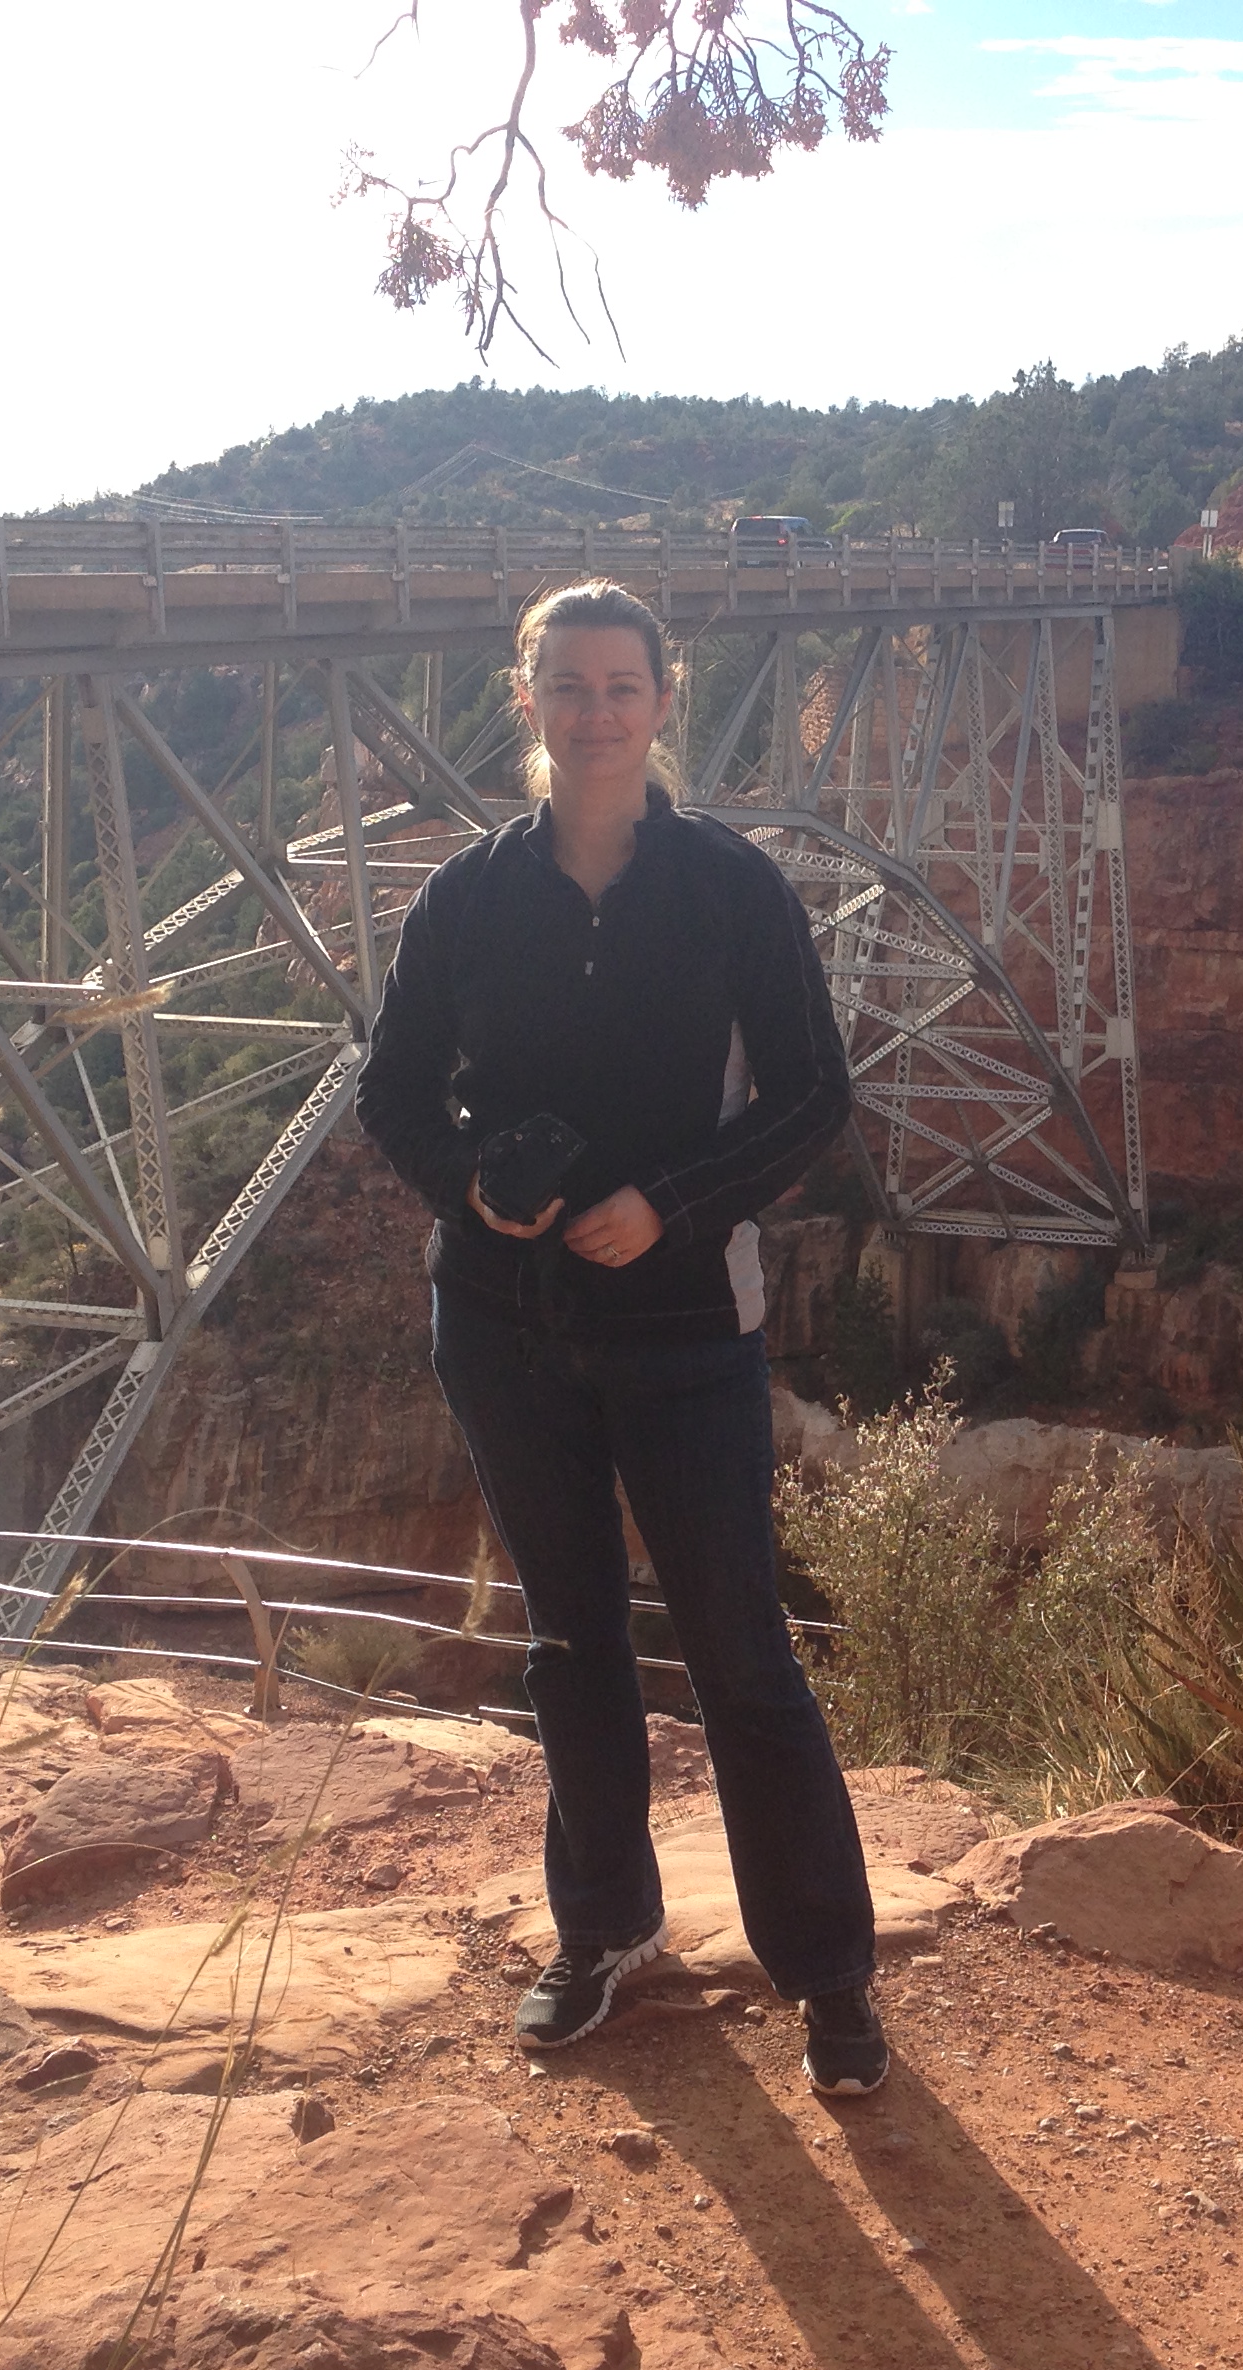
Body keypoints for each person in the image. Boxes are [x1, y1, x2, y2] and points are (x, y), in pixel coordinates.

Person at [356, 580, 889, 2096]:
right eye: (568, 686)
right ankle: (606, 1933)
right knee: (572, 1645)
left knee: (741, 1652)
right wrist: (472, 1181)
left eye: (623, 686)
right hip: (505, 1328)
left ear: (664, 700)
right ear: (527, 700)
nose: (597, 713)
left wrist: (675, 1200)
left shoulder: (732, 886)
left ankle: (830, 1973)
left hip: (680, 1328)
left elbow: (811, 1096)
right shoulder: (467, 895)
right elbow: (393, 1087)